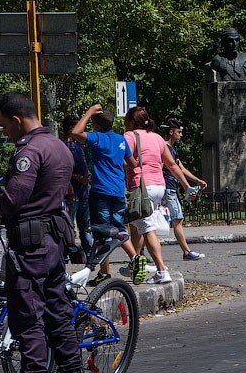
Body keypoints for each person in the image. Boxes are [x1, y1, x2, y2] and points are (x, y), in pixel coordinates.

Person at [0, 92, 84, 373]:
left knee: (27, 319)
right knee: (59, 316)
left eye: (5, 127)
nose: (5, 133)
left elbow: (13, 200)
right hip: (52, 243)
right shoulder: (60, 146)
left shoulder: (29, 151)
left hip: (29, 248)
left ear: (17, 121)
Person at [70, 104, 142, 284]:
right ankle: (135, 258)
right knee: (118, 229)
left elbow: (75, 132)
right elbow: (133, 164)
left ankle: (104, 273)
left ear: (97, 125)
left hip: (100, 191)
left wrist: (89, 112)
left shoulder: (98, 138)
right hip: (118, 191)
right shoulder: (120, 139)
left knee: (102, 232)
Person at [122, 107, 191, 284]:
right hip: (158, 186)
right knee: (138, 226)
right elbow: (172, 165)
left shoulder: (130, 136)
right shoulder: (157, 138)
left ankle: (161, 270)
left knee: (147, 228)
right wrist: (186, 186)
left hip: (141, 188)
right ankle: (135, 264)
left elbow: (123, 160)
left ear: (131, 121)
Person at [161, 118, 207, 260]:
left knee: (155, 222)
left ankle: (139, 252)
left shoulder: (172, 149)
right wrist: (187, 186)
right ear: (171, 132)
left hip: (170, 188)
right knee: (177, 219)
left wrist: (197, 180)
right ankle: (187, 252)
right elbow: (174, 168)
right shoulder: (164, 147)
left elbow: (180, 168)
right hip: (167, 189)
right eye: (179, 132)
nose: (181, 135)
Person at [63, 116, 93, 258]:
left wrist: (87, 176)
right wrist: (74, 182)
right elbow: (64, 171)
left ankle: (89, 253)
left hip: (84, 192)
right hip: (72, 193)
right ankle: (67, 253)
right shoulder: (64, 147)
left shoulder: (79, 146)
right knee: (69, 226)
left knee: (85, 227)